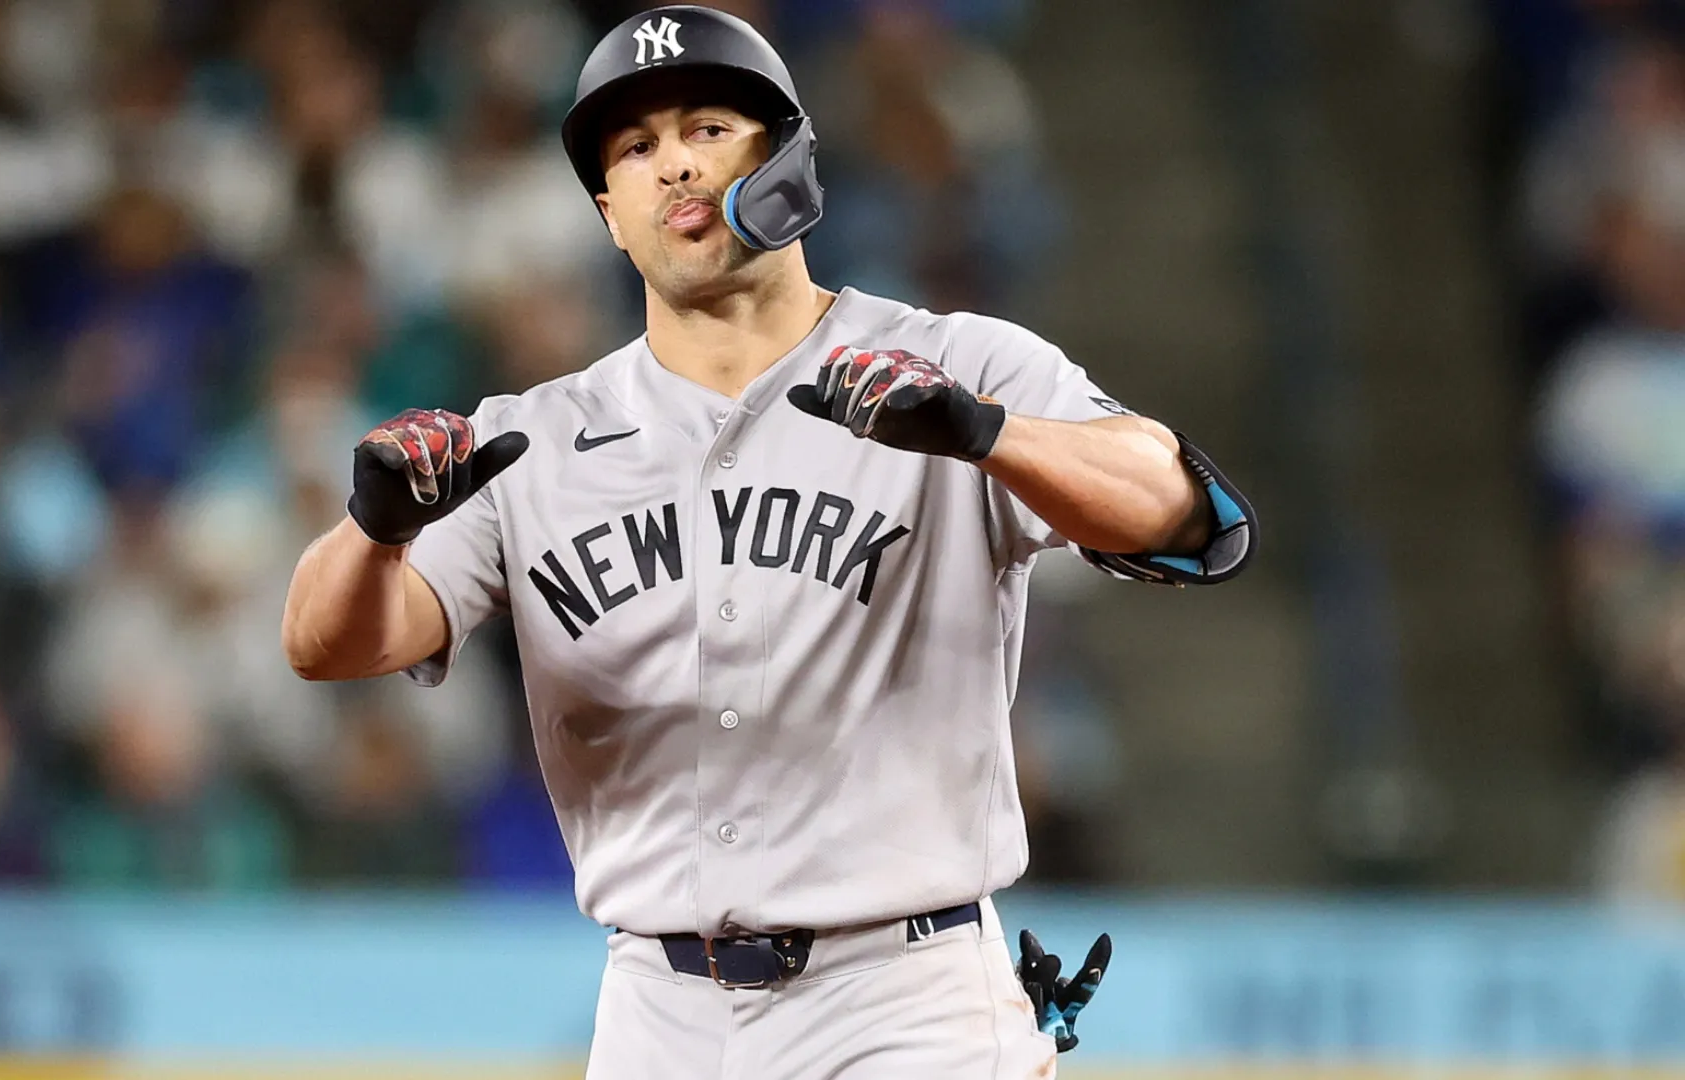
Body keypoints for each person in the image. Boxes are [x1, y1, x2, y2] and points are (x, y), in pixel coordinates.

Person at [281, 7, 1255, 1077]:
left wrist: (986, 433)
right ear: (609, 215)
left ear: (786, 154)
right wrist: (374, 532)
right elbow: (325, 645)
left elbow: (1187, 514)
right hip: (656, 1010)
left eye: (707, 128)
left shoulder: (951, 362)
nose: (673, 165)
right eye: (635, 148)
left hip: (906, 999)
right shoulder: (530, 439)